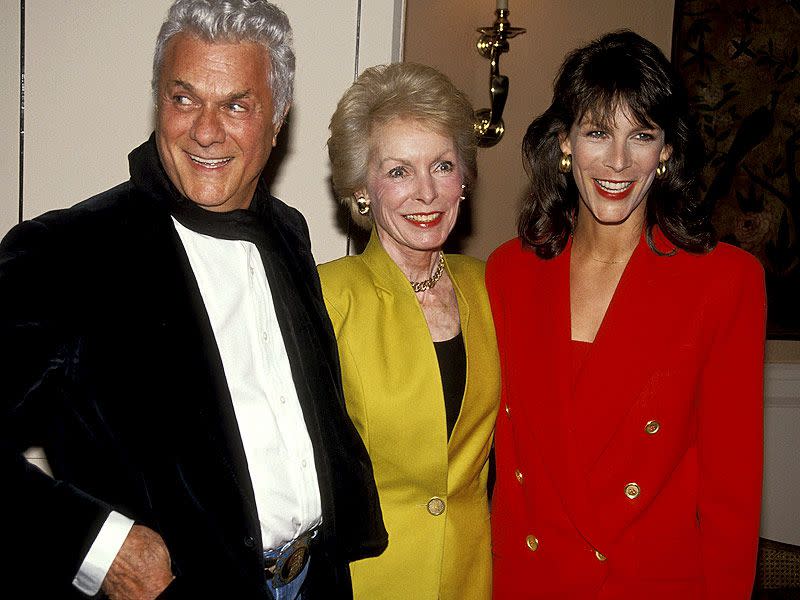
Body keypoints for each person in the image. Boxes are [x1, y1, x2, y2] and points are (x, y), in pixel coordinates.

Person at [0, 1, 387, 598]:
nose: (205, 131)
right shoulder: (69, 252)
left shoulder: (288, 232)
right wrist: (99, 549)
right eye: (184, 100)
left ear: (278, 119)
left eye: (236, 105)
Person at [487, 30, 765, 599]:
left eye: (642, 135)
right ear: (564, 143)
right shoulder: (510, 272)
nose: (618, 161)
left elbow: (730, 497)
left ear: (665, 152)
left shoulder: (724, 281)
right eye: (596, 132)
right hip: (531, 581)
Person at [319, 62, 500, 599]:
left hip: (472, 576)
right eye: (399, 171)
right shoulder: (326, 299)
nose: (426, 192)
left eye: (442, 166)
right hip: (365, 578)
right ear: (361, 188)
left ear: (464, 180)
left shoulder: (492, 288)